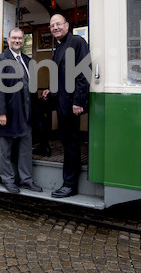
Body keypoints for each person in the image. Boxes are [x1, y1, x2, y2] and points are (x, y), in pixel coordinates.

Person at [42, 14, 91, 198]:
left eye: (58, 24)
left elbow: (84, 71)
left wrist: (79, 101)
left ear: (67, 25)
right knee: (66, 143)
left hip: (71, 104)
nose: (55, 27)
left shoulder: (77, 42)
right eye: (52, 25)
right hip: (62, 102)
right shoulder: (60, 46)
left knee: (71, 145)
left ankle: (69, 185)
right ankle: (68, 183)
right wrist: (50, 90)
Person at [0, 28, 42, 194]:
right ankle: (8, 180)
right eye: (14, 38)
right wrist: (1, 113)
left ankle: (26, 180)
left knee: (26, 149)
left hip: (26, 113)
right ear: (8, 39)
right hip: (9, 113)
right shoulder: (1, 59)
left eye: (20, 38)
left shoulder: (27, 60)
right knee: (5, 149)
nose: (17, 41)